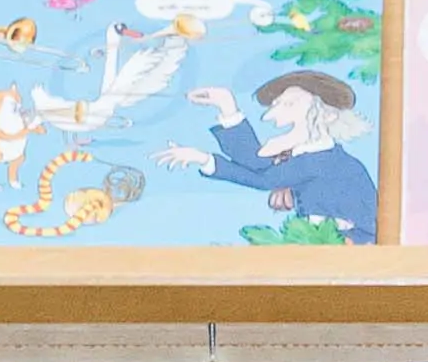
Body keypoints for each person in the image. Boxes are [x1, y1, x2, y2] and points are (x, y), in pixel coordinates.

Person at [163, 69, 380, 237]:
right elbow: (256, 163)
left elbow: (262, 177)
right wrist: (226, 107)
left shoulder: (324, 160)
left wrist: (204, 158)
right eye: (279, 104)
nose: (277, 111)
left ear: (327, 114)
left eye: (290, 103)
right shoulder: (308, 154)